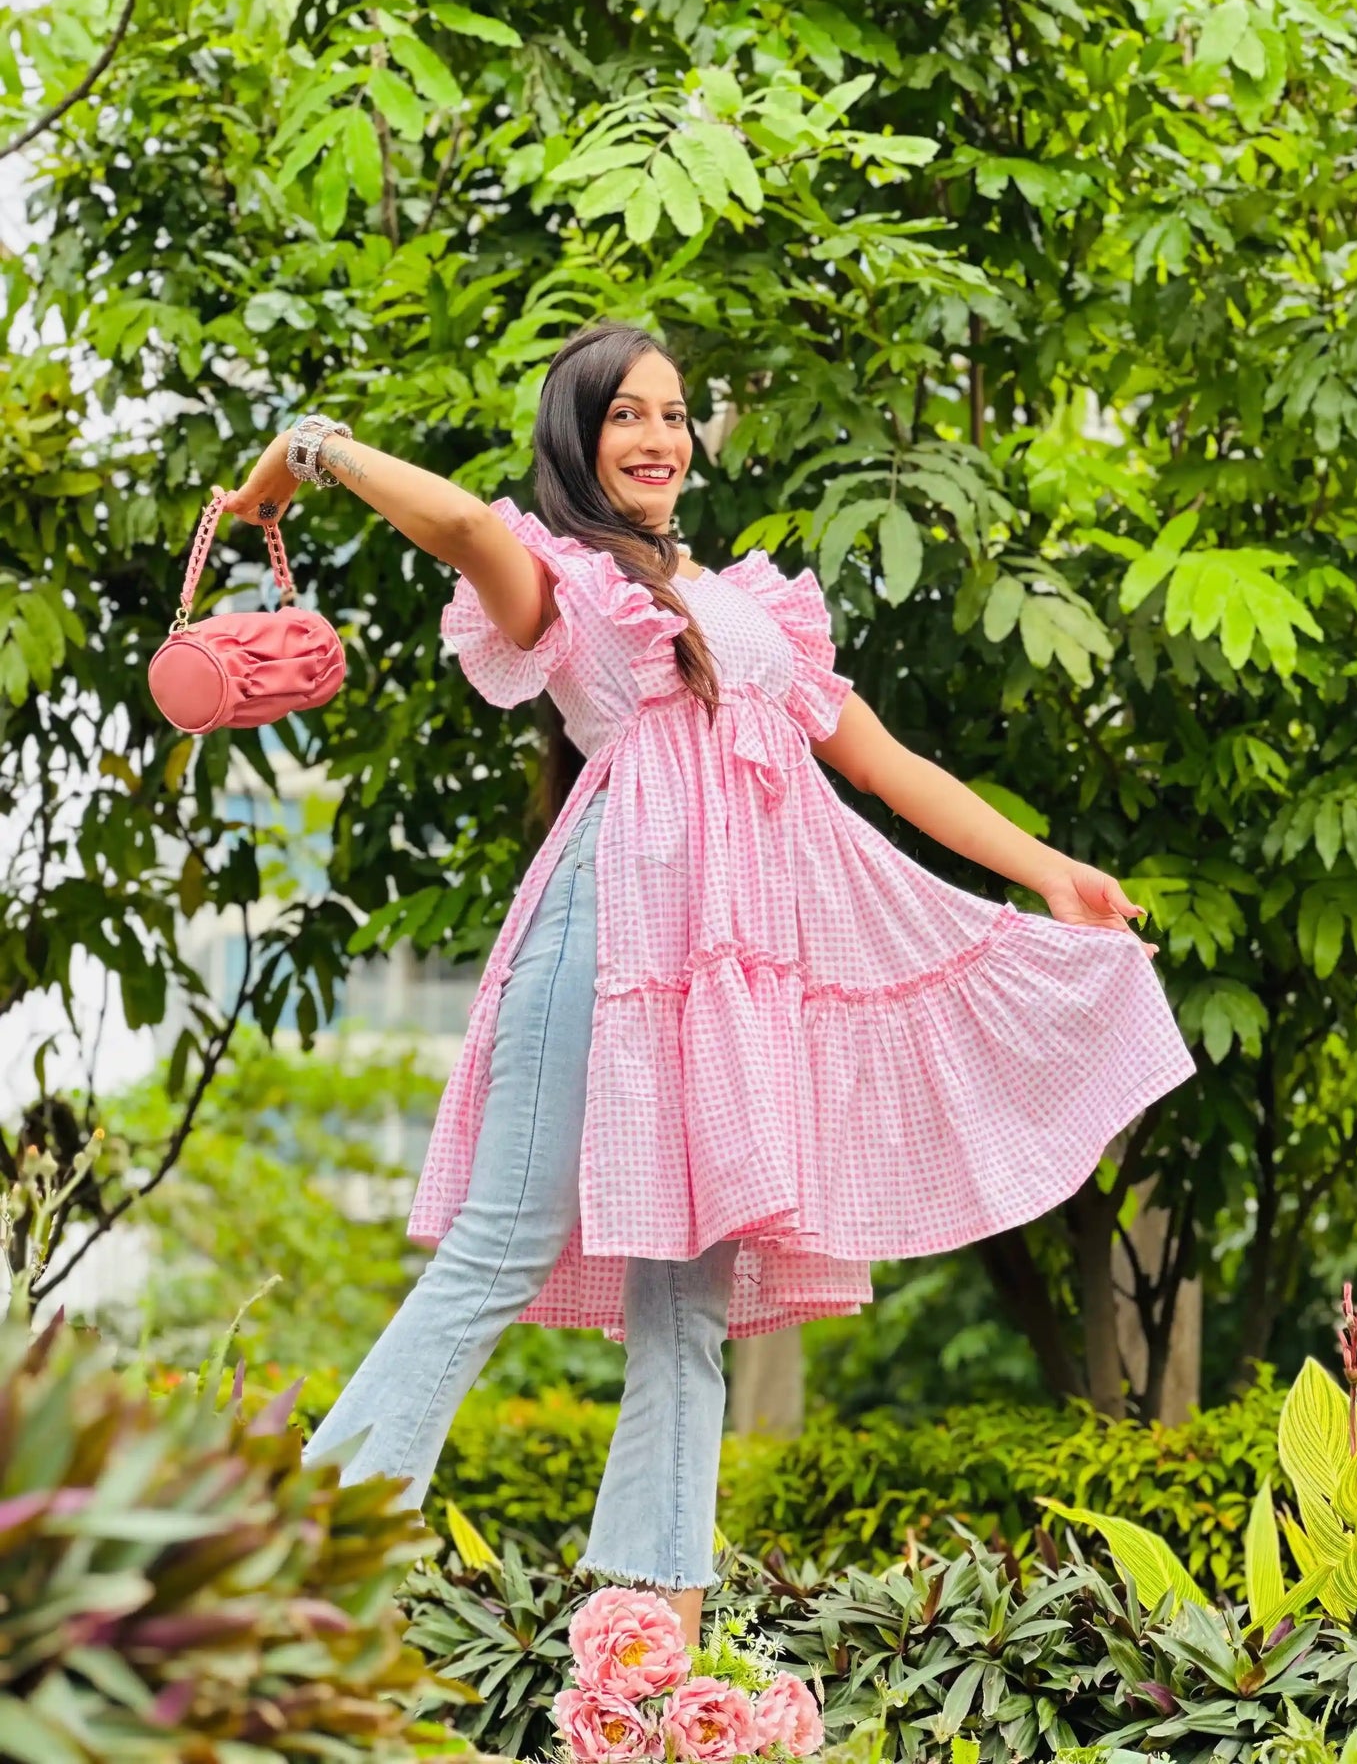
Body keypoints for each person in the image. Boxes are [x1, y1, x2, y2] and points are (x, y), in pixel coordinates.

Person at [217, 320, 1196, 1645]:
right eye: (625, 415)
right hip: (609, 944)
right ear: (579, 438)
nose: (657, 438)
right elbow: (457, 527)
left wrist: (1049, 871)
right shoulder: (561, 580)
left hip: (730, 979)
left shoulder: (746, 607)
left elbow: (886, 765)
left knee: (686, 1310)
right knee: (494, 1252)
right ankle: (297, 1575)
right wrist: (303, 449)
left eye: (672, 415)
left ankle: (651, 1654)